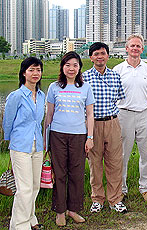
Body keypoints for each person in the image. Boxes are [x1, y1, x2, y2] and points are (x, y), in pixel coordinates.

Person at [44, 52, 95, 226]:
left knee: (77, 173)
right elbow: (49, 114)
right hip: (57, 135)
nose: (71, 68)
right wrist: (46, 139)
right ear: (62, 67)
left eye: (75, 65)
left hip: (79, 135)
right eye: (68, 65)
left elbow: (89, 115)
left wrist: (90, 137)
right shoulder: (54, 87)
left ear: (80, 67)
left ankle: (72, 210)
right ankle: (60, 211)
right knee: (59, 173)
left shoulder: (86, 87)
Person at [82, 42, 127, 213]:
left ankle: (115, 199)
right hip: (93, 125)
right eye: (96, 54)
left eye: (103, 53)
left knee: (115, 163)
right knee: (95, 163)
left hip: (113, 123)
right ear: (91, 57)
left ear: (108, 56)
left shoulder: (115, 76)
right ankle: (97, 199)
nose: (100, 56)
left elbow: (119, 99)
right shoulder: (84, 78)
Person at [113, 34, 147, 202]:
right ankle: (121, 189)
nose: (135, 49)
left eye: (138, 46)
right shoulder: (118, 69)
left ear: (142, 49)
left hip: (144, 113)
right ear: (126, 48)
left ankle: (145, 188)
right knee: (122, 154)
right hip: (124, 114)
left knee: (146, 153)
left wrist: (141, 105)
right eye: (132, 46)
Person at [3, 57, 45, 230]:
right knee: (24, 189)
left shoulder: (42, 96)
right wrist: (11, 143)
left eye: (38, 70)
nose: (35, 73)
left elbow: (41, 122)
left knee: (35, 186)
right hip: (21, 146)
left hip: (38, 146)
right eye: (31, 70)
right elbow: (7, 122)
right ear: (23, 73)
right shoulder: (16, 96)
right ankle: (19, 226)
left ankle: (30, 219)